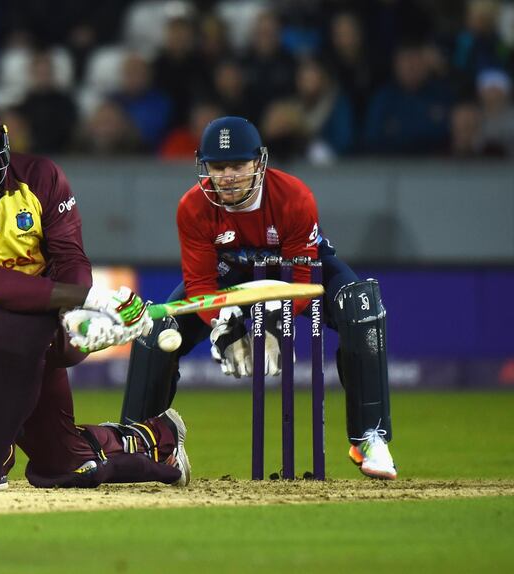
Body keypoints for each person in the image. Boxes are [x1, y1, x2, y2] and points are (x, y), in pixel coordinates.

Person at [0, 95, 190, 492]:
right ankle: (158, 441)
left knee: (13, 320)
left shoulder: (42, 176)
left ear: (1, 141)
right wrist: (88, 299)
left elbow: (70, 257)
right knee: (61, 466)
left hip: (60, 327)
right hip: (6, 343)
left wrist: (79, 312)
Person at [121, 116, 397, 480]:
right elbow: (202, 283)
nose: (228, 176)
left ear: (259, 162)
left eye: (238, 165)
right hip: (228, 273)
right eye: (218, 167)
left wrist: (273, 326)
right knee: (157, 330)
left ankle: (368, 437)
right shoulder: (192, 207)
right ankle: (141, 444)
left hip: (298, 269)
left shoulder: (293, 197)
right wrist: (226, 325)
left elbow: (301, 278)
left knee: (363, 308)